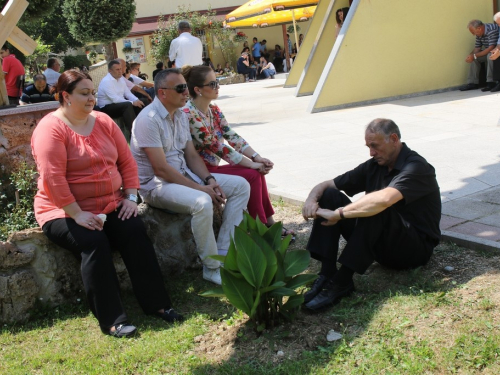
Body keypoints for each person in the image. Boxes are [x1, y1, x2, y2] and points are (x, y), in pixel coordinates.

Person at [31, 70, 183, 338]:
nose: (92, 98)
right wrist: (76, 214)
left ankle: (158, 305)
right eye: (84, 93)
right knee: (94, 242)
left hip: (110, 203)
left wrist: (130, 196)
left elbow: (126, 161)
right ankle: (113, 319)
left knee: (134, 231)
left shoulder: (102, 121)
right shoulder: (50, 129)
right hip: (62, 210)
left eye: (93, 93)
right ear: (65, 96)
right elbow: (52, 179)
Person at [302, 119, 441, 311]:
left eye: (374, 146)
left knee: (376, 207)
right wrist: (312, 199)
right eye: (368, 146)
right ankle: (327, 274)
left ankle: (342, 282)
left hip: (413, 250)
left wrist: (339, 214)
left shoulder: (417, 167)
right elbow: (328, 184)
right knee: (330, 196)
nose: (371, 152)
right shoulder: (375, 164)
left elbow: (384, 199)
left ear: (393, 139)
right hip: (381, 245)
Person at [130, 69, 250, 285]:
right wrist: (201, 189)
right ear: (162, 93)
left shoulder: (181, 115)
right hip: (156, 186)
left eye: (185, 86)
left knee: (241, 185)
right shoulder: (148, 120)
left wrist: (209, 180)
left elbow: (191, 155)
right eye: (180, 88)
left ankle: (223, 251)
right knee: (202, 202)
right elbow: (161, 169)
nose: (186, 92)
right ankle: (211, 267)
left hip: (184, 175)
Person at [182, 65, 295, 241]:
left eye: (217, 82)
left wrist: (257, 157)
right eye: (212, 84)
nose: (217, 87)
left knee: (256, 171)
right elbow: (217, 147)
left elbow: (231, 135)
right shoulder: (189, 114)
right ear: (198, 89)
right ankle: (261, 230)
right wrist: (251, 163)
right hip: (199, 172)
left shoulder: (213, 109)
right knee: (251, 174)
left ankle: (269, 223)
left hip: (213, 167)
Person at [96, 60, 145, 137]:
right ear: (110, 71)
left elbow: (127, 93)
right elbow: (115, 99)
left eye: (120, 69)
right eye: (117, 69)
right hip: (107, 107)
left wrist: (136, 100)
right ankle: (134, 134)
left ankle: (144, 128)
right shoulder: (106, 81)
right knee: (128, 105)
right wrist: (132, 103)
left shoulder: (121, 78)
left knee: (143, 101)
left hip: (118, 104)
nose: (120, 71)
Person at [459, 20, 499, 91]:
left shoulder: (491, 30)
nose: (473, 34)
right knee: (474, 58)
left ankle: (491, 82)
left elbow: (491, 48)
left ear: (479, 28)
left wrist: (474, 55)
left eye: (473, 32)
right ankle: (473, 83)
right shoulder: (479, 33)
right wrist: (471, 56)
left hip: (496, 51)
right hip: (490, 51)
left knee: (490, 55)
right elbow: (477, 47)